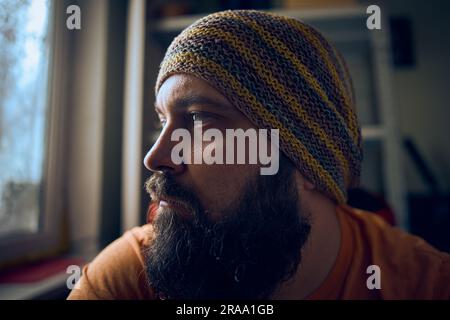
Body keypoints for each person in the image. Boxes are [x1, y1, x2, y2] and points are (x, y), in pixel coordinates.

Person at [67, 10, 449, 300]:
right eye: (163, 119)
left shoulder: (423, 284)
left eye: (200, 120)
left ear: (306, 160)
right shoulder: (127, 278)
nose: (156, 157)